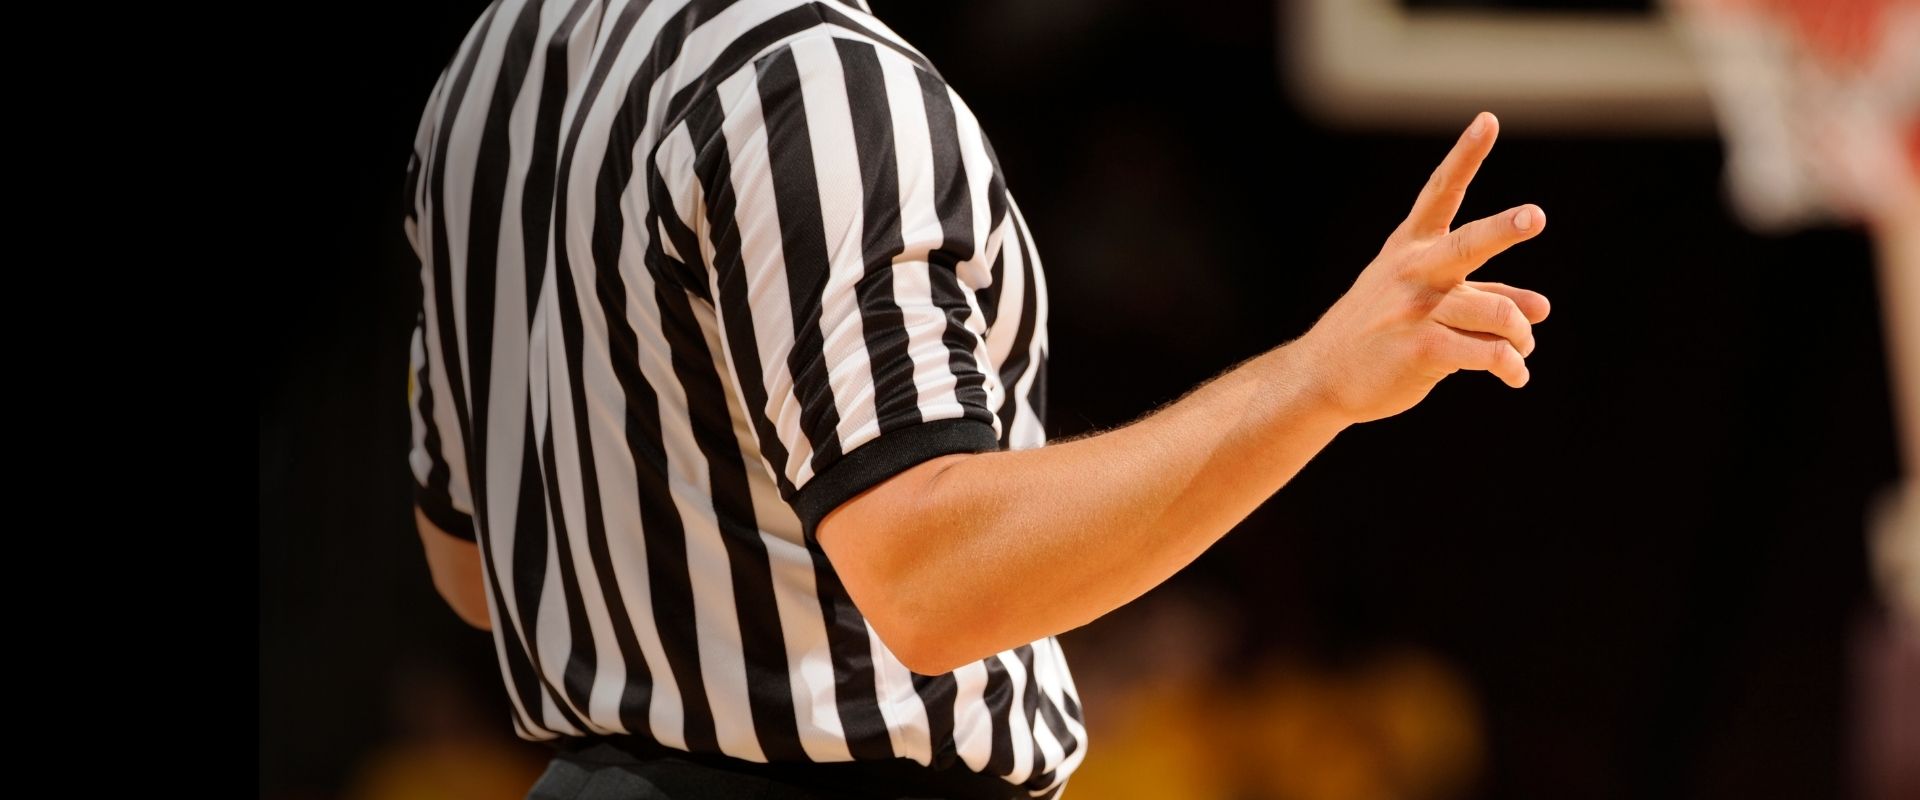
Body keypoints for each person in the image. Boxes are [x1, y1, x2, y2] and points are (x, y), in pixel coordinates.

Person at [403, 1, 1549, 797]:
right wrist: (1316, 379)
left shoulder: (486, 82)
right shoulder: (811, 75)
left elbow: (470, 569)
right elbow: (933, 576)